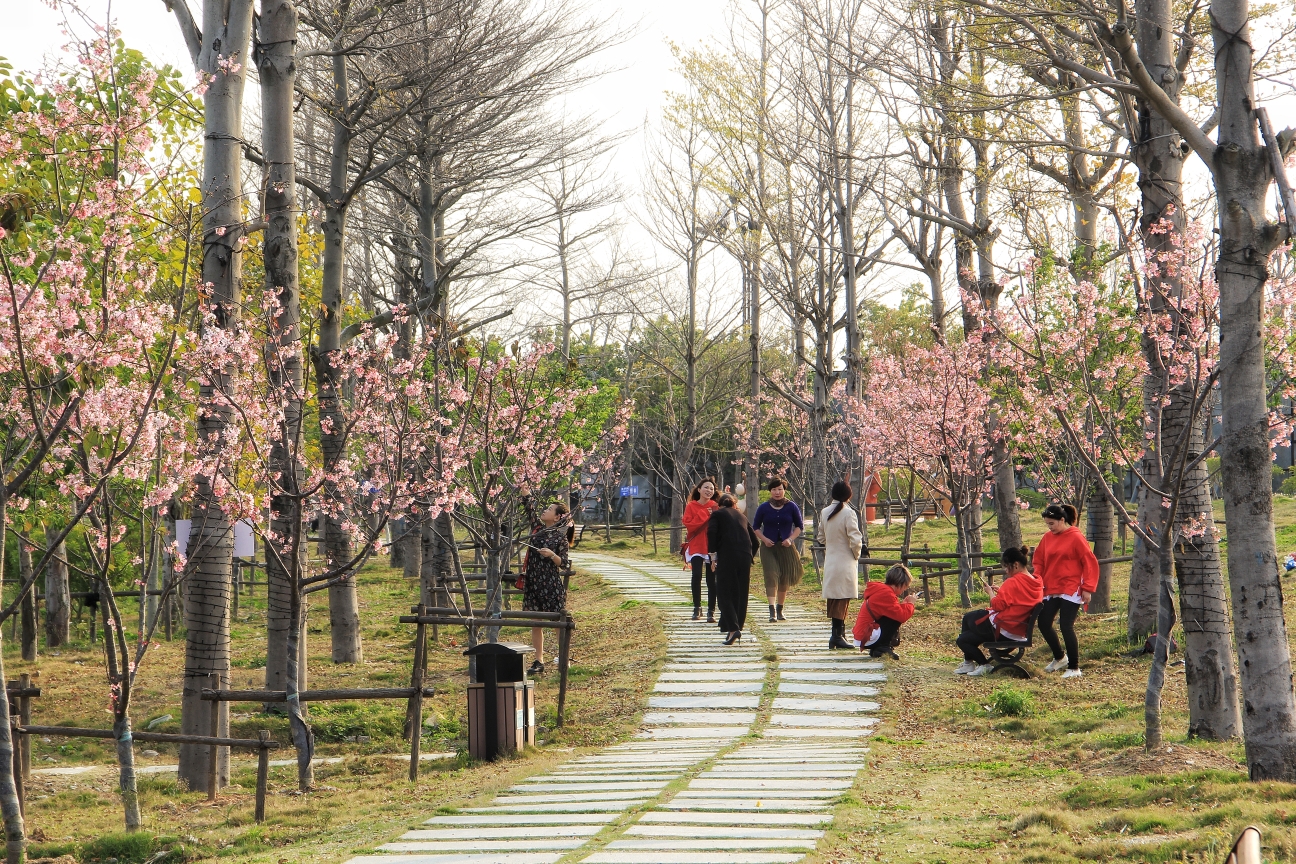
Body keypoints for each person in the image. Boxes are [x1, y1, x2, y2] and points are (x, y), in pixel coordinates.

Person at [954, 545, 1043, 676]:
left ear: (1016, 565)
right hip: (1018, 629)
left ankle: (980, 664)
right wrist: (1002, 591)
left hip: (1004, 627)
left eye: (1007, 567)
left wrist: (990, 593)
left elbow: (997, 605)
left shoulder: (1013, 582)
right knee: (967, 633)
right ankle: (969, 662)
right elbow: (1018, 599)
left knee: (965, 627)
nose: (1006, 571)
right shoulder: (1036, 582)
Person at [1034, 503, 1099, 679]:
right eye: (1047, 524)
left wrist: (1088, 588)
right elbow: (1038, 559)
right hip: (1052, 587)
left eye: (1052, 524)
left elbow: (1089, 562)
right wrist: (1037, 576)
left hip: (1071, 587)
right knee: (1044, 623)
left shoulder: (1076, 537)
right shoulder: (1047, 538)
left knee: (1066, 625)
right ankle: (1060, 657)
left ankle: (1074, 667)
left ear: (1062, 520)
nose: (1049, 527)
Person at [519, 484, 572, 676]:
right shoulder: (537, 529)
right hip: (533, 583)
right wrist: (525, 489)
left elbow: (564, 564)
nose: (545, 510)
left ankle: (563, 659)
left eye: (550, 509)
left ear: (557, 517)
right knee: (536, 622)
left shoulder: (560, 538)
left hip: (550, 585)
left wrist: (551, 555)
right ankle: (538, 660)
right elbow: (529, 508)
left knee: (557, 623)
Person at [708, 493, 759, 645]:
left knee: (724, 592)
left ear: (719, 504)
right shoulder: (741, 516)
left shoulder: (717, 515)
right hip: (744, 556)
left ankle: (733, 628)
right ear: (734, 505)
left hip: (727, 555)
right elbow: (755, 542)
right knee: (740, 593)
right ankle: (734, 627)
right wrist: (749, 557)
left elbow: (711, 533)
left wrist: (713, 556)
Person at [820, 480, 863, 650]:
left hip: (831, 560)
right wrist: (856, 554)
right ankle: (837, 636)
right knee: (842, 598)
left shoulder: (824, 512)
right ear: (848, 495)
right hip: (845, 560)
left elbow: (821, 537)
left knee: (834, 598)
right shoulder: (848, 513)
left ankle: (838, 634)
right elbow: (855, 538)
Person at [753, 478, 804, 622]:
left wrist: (790, 539)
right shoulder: (763, 507)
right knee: (771, 574)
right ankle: (772, 610)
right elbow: (755, 526)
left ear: (784, 490)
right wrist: (764, 539)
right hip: (768, 547)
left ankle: (780, 608)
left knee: (784, 577)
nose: (777, 492)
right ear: (770, 491)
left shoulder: (792, 506)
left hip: (786, 547)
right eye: (774, 489)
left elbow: (799, 526)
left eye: (780, 489)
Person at [853, 565, 917, 658]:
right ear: (901, 583)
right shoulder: (887, 594)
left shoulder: (881, 590)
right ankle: (883, 647)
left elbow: (893, 610)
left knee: (894, 614)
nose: (904, 590)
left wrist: (904, 604)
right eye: (905, 587)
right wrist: (910, 604)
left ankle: (878, 648)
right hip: (867, 636)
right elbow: (901, 616)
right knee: (895, 617)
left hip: (864, 634)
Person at [682, 478, 720, 621]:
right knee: (696, 575)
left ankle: (711, 610)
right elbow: (690, 525)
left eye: (711, 488)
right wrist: (705, 514)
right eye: (706, 487)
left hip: (711, 546)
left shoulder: (716, 506)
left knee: (711, 579)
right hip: (697, 545)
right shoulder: (691, 506)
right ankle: (697, 607)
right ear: (699, 489)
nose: (709, 490)